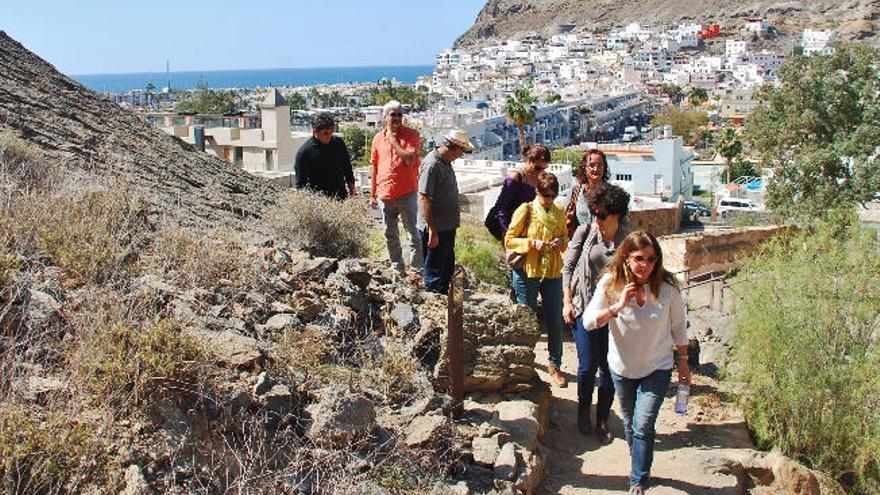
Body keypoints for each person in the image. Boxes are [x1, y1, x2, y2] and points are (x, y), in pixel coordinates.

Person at [582, 231, 690, 495]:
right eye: (639, 258)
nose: (646, 265)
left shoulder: (668, 288)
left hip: (658, 367)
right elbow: (588, 321)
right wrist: (617, 306)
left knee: (643, 424)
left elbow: (679, 328)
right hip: (622, 368)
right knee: (631, 423)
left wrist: (684, 363)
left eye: (652, 259)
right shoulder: (610, 283)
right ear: (626, 259)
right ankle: (638, 458)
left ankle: (638, 480)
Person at [562, 183, 631, 442]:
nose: (597, 219)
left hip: (615, 314)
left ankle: (603, 418)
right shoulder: (585, 232)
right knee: (588, 365)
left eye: (602, 215)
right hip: (584, 307)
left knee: (610, 368)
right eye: (595, 213)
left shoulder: (629, 242)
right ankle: (583, 408)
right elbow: (567, 268)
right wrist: (567, 302)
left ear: (617, 215)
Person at [505, 172, 569, 387]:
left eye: (553, 195)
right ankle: (524, 364)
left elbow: (565, 237)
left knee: (554, 320)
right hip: (528, 270)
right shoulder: (527, 210)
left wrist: (560, 242)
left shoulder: (559, 211)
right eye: (545, 195)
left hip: (551, 270)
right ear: (537, 192)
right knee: (527, 320)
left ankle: (555, 364)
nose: (549, 199)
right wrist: (532, 244)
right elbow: (510, 240)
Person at [418, 130, 474, 294]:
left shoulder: (444, 162)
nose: (460, 155)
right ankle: (434, 300)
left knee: (445, 267)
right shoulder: (432, 165)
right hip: (436, 228)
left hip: (446, 227)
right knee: (434, 270)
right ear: (455, 148)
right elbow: (425, 199)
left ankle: (444, 299)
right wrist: (433, 231)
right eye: (461, 151)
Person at [370, 100, 422, 273]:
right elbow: (375, 166)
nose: (397, 118)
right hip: (385, 193)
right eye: (393, 114)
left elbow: (409, 158)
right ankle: (397, 268)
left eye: (400, 114)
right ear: (385, 117)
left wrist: (393, 140)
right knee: (390, 235)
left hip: (407, 192)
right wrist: (373, 193)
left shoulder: (412, 135)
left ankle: (416, 270)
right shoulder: (377, 138)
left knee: (412, 234)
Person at [485, 145, 551, 239]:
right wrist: (508, 232)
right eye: (537, 168)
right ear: (528, 161)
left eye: (544, 168)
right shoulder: (516, 178)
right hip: (512, 227)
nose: (540, 171)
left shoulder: (541, 178)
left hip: (529, 230)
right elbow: (501, 207)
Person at [294, 113, 355, 200]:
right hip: (319, 203)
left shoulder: (338, 143)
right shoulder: (304, 153)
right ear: (315, 132)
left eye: (331, 132)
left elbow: (347, 169)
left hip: (341, 200)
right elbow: (300, 184)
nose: (329, 136)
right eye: (325, 133)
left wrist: (352, 191)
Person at [565, 148, 610, 236]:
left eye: (600, 165)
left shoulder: (611, 193)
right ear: (584, 167)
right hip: (580, 244)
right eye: (592, 165)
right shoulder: (576, 191)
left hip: (602, 245)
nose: (596, 169)